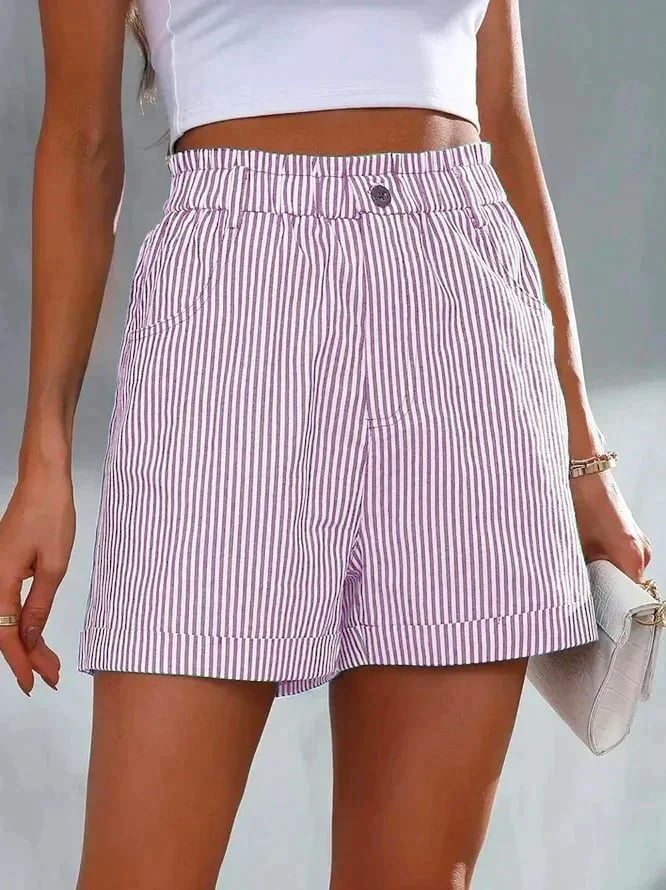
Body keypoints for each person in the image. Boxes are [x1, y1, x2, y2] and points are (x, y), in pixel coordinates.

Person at [0, 1, 652, 888]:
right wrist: (45, 459)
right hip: (232, 320)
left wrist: (583, 453)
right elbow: (81, 147)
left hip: (463, 320)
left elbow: (499, 119)